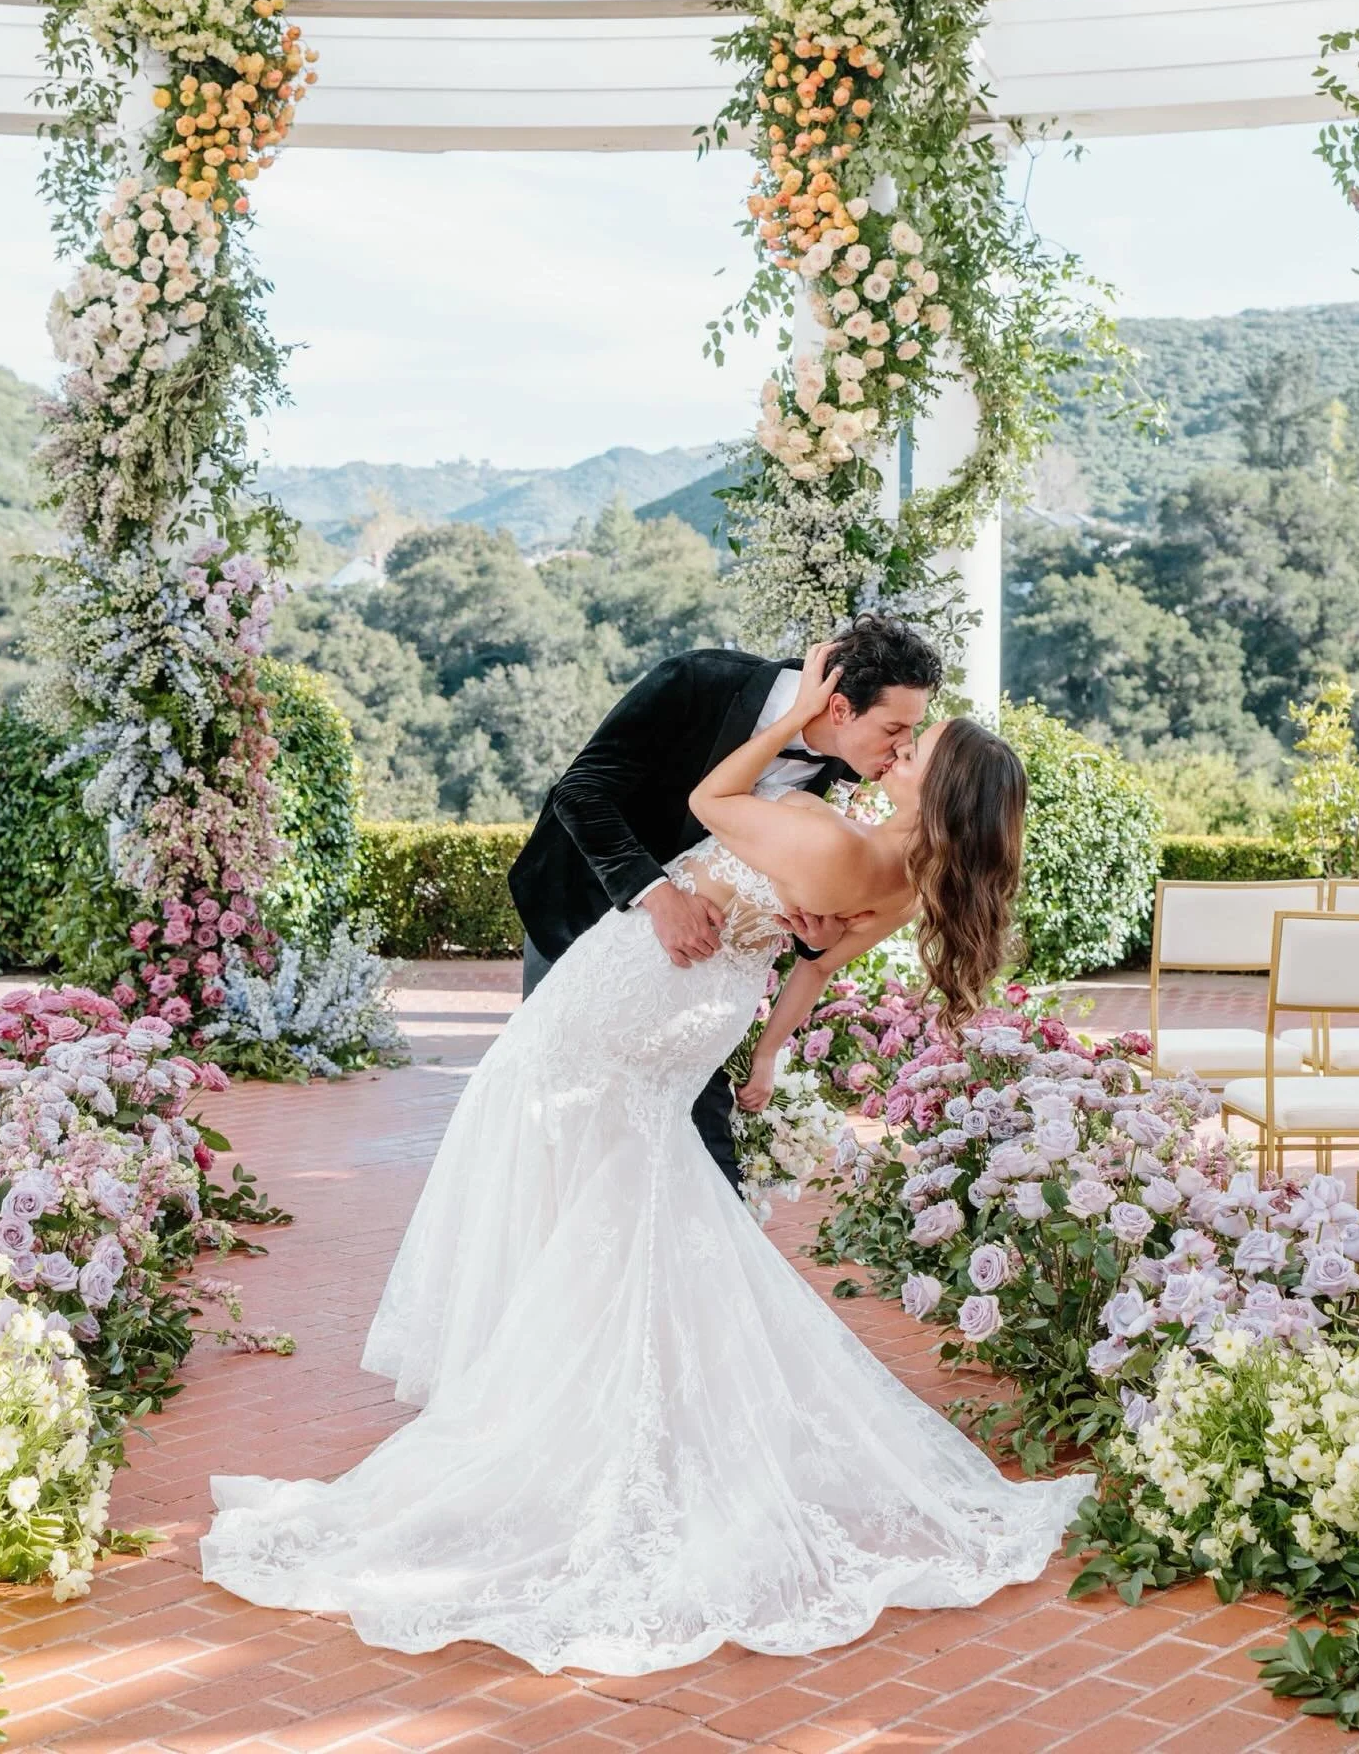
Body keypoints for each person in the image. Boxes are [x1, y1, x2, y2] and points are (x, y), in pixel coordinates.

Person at [200, 644, 1094, 1677]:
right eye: (897, 730)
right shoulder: (870, 843)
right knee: (636, 1197)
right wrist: (762, 960)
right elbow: (623, 816)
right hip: (666, 983)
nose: (891, 752)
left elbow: (714, 803)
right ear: (845, 704)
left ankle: (561, 1418)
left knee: (577, 1169)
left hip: (635, 1001)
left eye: (912, 745)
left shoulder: (827, 819)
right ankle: (602, 1407)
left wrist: (785, 764)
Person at [507, 613, 943, 1189]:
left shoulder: (852, 759)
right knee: (556, 1123)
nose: (902, 747)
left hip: (702, 979)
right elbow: (580, 793)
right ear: (841, 710)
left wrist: (813, 934)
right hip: (588, 923)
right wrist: (658, 896)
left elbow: (771, 870)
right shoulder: (699, 680)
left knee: (700, 1151)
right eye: (894, 729)